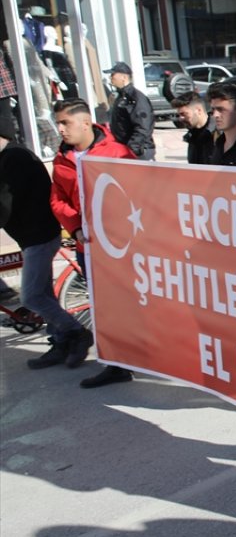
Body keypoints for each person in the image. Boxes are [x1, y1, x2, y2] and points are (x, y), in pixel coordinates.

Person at [46, 99, 137, 388]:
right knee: (102, 308)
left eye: (65, 123)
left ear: (86, 123)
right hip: (88, 248)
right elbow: (57, 199)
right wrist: (75, 227)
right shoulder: (62, 158)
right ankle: (115, 365)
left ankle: (141, 357)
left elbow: (137, 193)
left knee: (129, 305)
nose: (60, 129)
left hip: (119, 247)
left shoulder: (117, 153)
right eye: (58, 123)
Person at [0, 128, 94, 370]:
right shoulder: (9, 156)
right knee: (43, 293)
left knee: (31, 296)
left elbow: (4, 202)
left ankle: (77, 332)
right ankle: (61, 342)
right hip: (31, 235)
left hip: (39, 235)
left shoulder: (14, 158)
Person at [103, 62, 154, 160]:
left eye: (113, 75)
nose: (110, 77)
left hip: (138, 152)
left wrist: (132, 148)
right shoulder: (121, 96)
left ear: (124, 77)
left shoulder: (135, 97)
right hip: (124, 150)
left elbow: (143, 126)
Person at [172, 91, 216, 165]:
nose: (181, 118)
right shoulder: (192, 135)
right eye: (179, 115)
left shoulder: (219, 134)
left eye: (184, 114)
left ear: (198, 110)